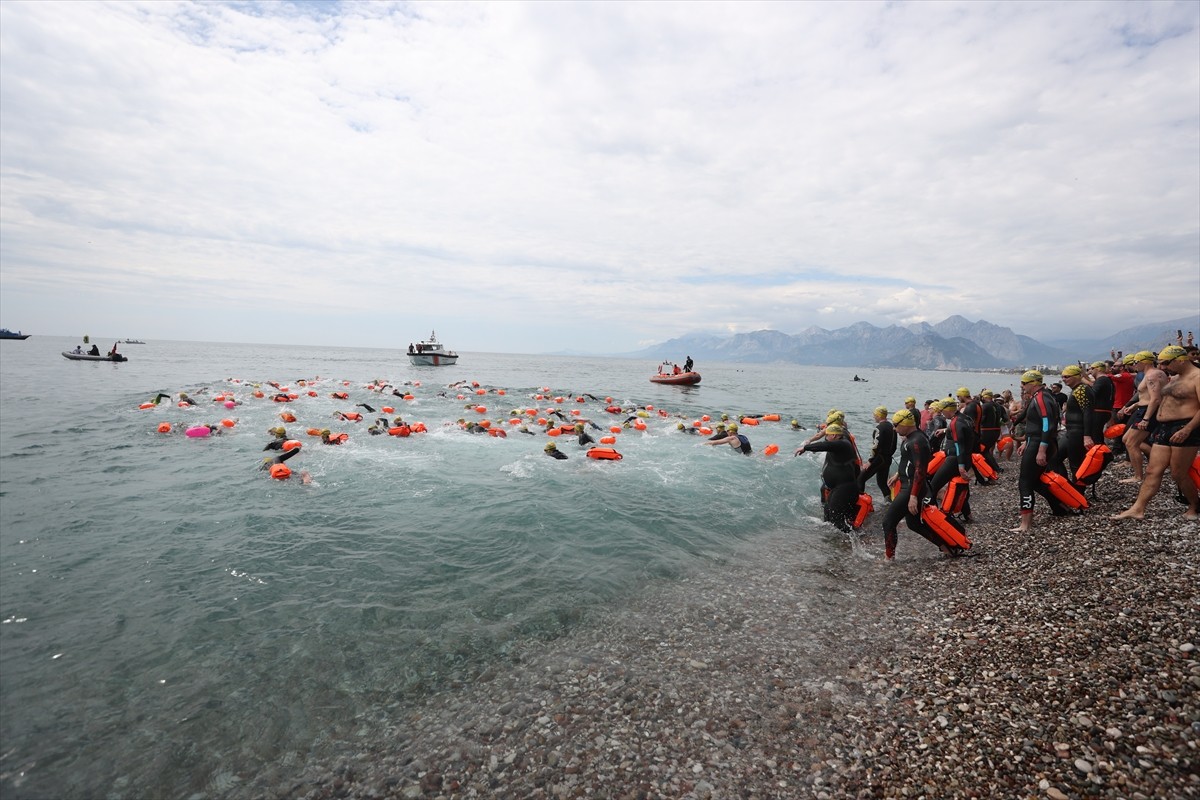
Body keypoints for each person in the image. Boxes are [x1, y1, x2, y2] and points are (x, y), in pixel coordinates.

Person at [1113, 345, 1200, 520]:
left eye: (1166, 363)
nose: (1163, 367)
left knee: (1178, 473)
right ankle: (1138, 508)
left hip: (1185, 427)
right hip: (1164, 428)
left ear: (1181, 359)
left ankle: (1194, 505)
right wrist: (1136, 405)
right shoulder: (1175, 377)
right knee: (1153, 470)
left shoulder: (1197, 377)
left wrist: (1187, 429)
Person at [1011, 370, 1070, 532]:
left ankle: (1026, 524)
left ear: (1034, 383)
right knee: (1035, 481)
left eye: (1024, 383)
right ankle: (1060, 507)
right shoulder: (1044, 395)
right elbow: (1037, 425)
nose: (1022, 386)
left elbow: (1047, 425)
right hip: (1038, 442)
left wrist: (1041, 450)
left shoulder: (1041, 398)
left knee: (1025, 482)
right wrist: (1027, 442)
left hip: (1040, 444)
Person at [879, 409, 939, 560]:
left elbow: (920, 469)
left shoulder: (917, 441)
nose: (894, 428)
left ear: (905, 424)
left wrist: (913, 496)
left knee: (888, 522)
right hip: (909, 485)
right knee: (914, 524)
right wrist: (898, 475)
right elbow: (910, 462)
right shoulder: (912, 438)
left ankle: (889, 558)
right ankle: (945, 545)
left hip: (912, 488)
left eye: (896, 424)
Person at [795, 423, 860, 531]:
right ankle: (832, 543)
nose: (826, 438)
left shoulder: (843, 443)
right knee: (828, 512)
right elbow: (824, 445)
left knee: (836, 519)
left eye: (827, 435)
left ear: (834, 435)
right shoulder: (836, 443)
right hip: (838, 487)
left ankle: (853, 540)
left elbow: (825, 446)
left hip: (845, 488)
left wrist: (806, 447)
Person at [1119, 351, 1168, 484]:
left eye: (1136, 362)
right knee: (1126, 439)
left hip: (1149, 412)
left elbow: (1155, 398)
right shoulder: (1150, 375)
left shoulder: (1153, 375)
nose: (1134, 365)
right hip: (1143, 409)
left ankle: (1138, 476)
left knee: (1131, 443)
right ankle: (1159, 460)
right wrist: (1134, 405)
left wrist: (1146, 419)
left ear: (1145, 361)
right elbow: (1146, 397)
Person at [927, 399, 975, 521]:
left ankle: (935, 517)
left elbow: (959, 445)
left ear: (948, 409)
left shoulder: (955, 423)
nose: (942, 414)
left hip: (955, 460)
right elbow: (965, 435)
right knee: (962, 487)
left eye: (943, 411)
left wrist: (960, 465)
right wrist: (945, 430)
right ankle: (968, 515)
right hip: (966, 458)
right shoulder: (966, 418)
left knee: (933, 487)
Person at [857, 406, 896, 498]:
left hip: (879, 458)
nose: (874, 417)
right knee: (882, 483)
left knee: (860, 479)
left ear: (879, 415)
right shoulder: (892, 426)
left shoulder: (879, 428)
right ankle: (889, 502)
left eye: (875, 415)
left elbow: (876, 446)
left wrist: (870, 461)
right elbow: (894, 445)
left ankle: (860, 503)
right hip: (888, 458)